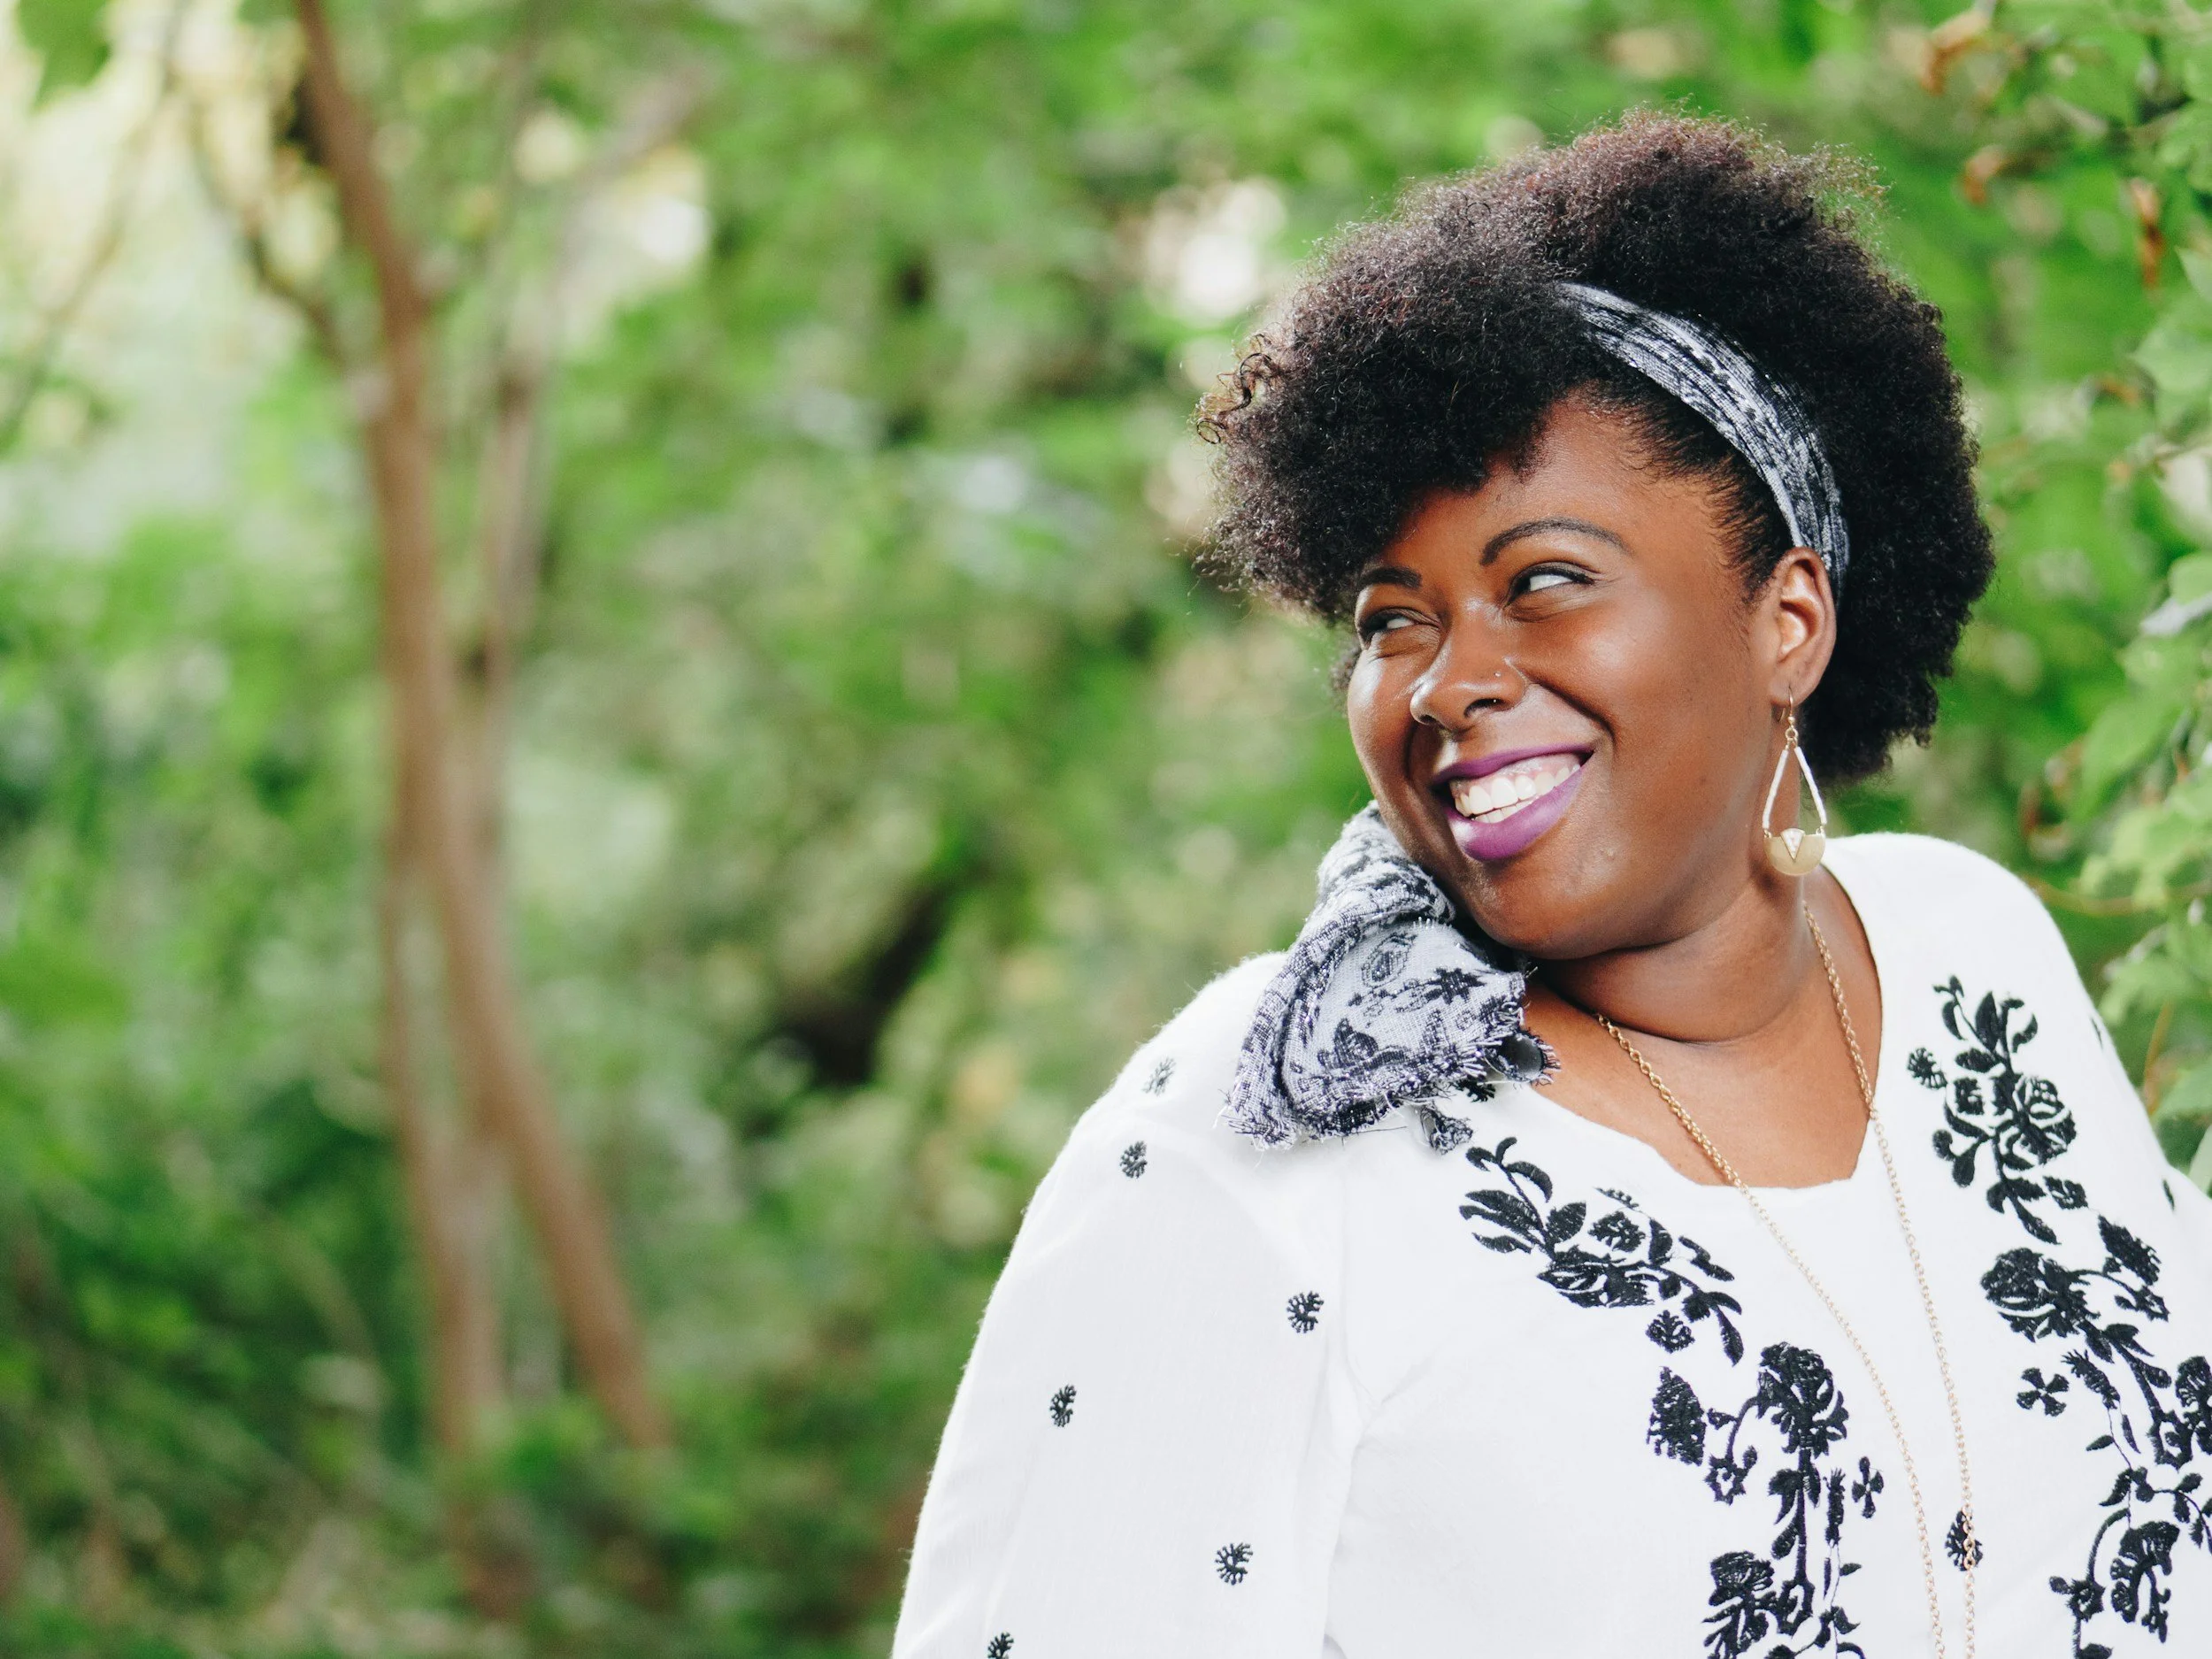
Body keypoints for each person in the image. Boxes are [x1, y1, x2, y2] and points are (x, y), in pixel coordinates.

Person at [890, 114, 2212, 1658]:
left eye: (1544, 582)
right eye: (1395, 619)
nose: (1451, 682)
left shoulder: (1978, 957)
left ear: (1790, 620)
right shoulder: (1259, 1133)